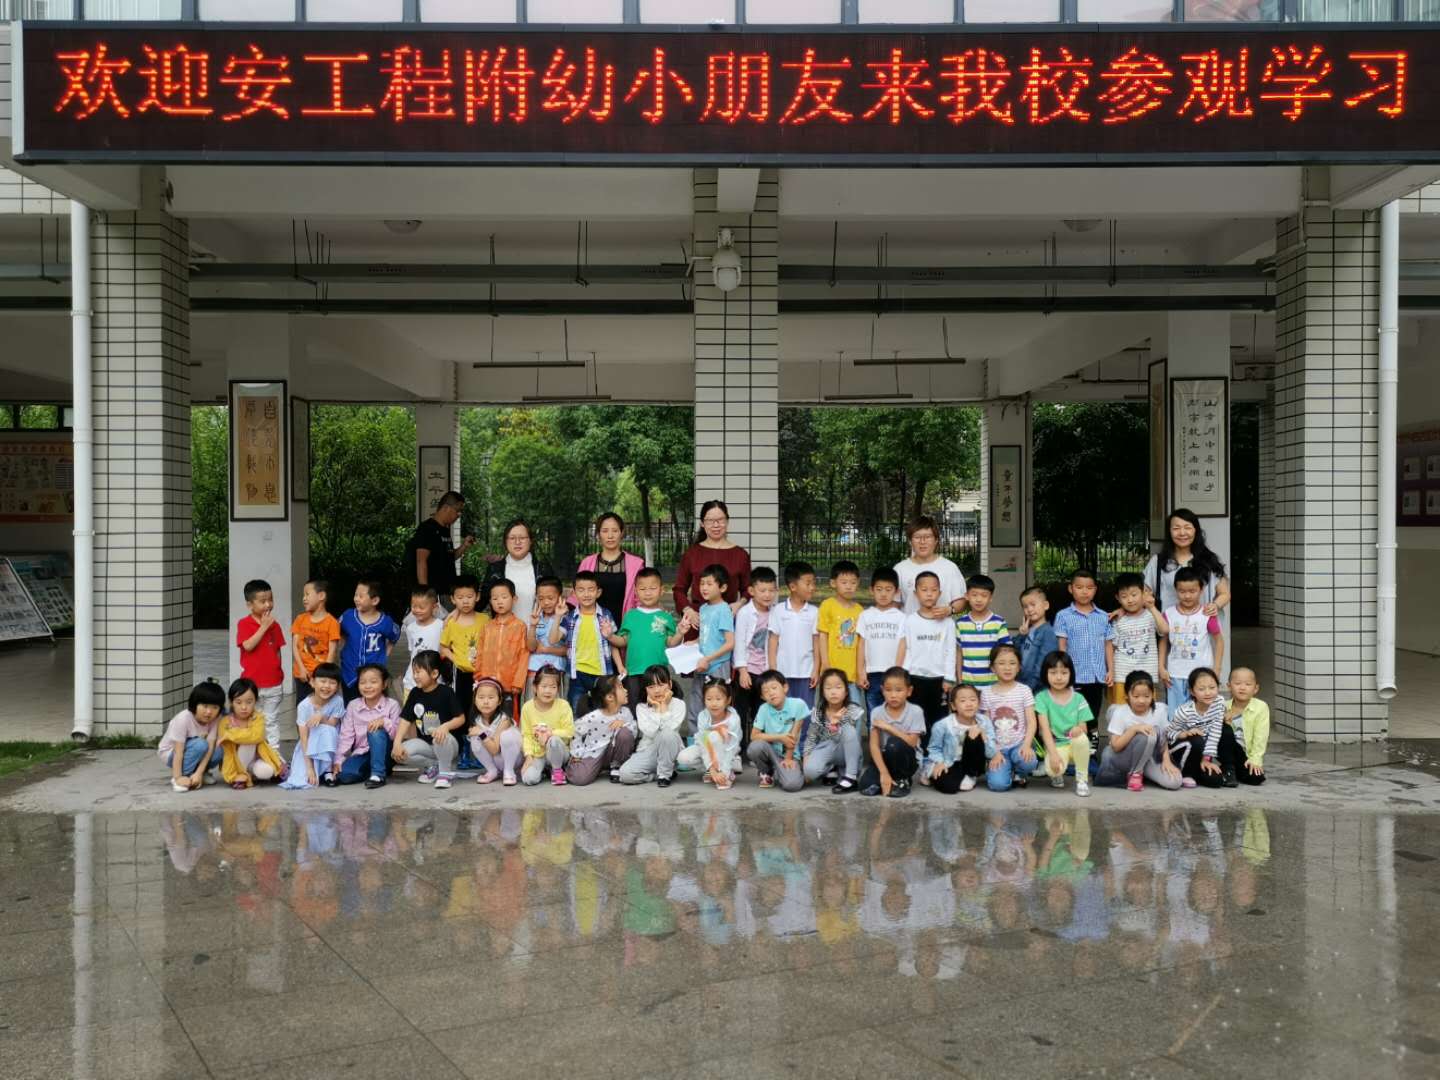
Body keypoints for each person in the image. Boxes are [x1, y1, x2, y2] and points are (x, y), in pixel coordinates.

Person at [674, 499, 752, 636]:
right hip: (697, 621)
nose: (716, 525)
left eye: (720, 520)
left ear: (727, 521)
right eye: (710, 521)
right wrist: (688, 610)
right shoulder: (691, 554)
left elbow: (748, 589)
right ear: (702, 523)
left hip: (728, 620)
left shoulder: (741, 555)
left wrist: (739, 604)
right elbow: (679, 590)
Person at [553, 570, 626, 715]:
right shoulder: (570, 617)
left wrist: (620, 665)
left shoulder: (605, 615)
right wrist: (557, 617)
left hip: (602, 674)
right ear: (574, 593)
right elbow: (553, 639)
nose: (586, 594)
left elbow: (612, 643)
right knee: (576, 711)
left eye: (591, 590)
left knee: (603, 711)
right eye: (581, 590)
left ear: (598, 592)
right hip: (577, 675)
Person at [1096, 671, 1183, 792]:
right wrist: (1134, 729)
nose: (1141, 701)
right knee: (1148, 734)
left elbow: (1163, 740)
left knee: (1175, 781)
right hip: (1125, 757)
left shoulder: (1160, 710)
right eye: (1136, 696)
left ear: (1153, 694)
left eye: (1146, 696)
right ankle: (1135, 774)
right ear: (1127, 695)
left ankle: (1143, 773)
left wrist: (1166, 760)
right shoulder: (1121, 712)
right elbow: (1115, 747)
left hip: (1149, 759)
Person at [618, 567, 687, 714]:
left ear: (661, 590)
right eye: (643, 589)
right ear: (635, 591)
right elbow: (623, 641)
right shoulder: (630, 615)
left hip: (658, 673)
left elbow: (671, 642)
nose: (648, 593)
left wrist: (680, 633)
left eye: (652, 588)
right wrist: (609, 636)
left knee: (659, 707)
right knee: (635, 708)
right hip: (634, 670)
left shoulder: (666, 617)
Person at [1053, 568, 1115, 732]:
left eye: (1089, 588)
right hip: (1075, 675)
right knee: (1075, 715)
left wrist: (1111, 670)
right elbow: (1062, 646)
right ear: (1071, 589)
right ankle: (1074, 745)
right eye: (1079, 587)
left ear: (1095, 589)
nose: (1084, 592)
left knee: (1093, 714)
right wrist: (1062, 672)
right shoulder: (1063, 616)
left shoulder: (1103, 616)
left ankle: (1092, 746)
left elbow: (1108, 645)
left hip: (1097, 676)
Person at [396, 650, 466, 791]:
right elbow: (405, 719)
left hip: (448, 744)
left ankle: (445, 773)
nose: (415, 676)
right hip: (427, 746)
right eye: (414, 672)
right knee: (401, 753)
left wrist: (445, 727)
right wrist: (396, 743)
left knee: (439, 737)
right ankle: (433, 766)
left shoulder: (446, 692)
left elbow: (461, 718)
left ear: (434, 674)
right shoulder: (415, 693)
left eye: (418, 672)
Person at [1144, 508, 1231, 617]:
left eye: (1187, 527)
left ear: (1195, 530)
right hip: (1169, 625)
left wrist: (1216, 605)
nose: (1182, 533)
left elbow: (1224, 593)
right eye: (1176, 528)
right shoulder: (1158, 561)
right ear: (1169, 532)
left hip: (1204, 624)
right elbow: (1144, 592)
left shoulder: (1209, 560)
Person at [1159, 567, 1225, 713]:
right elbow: (1163, 641)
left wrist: (1216, 669)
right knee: (1176, 715)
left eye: (1192, 591)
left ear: (1201, 590)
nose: (1187, 596)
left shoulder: (1207, 614)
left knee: (1202, 714)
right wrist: (1161, 668)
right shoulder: (1168, 614)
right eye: (1182, 591)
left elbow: (1219, 641)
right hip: (1175, 675)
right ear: (1176, 590)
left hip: (1202, 676)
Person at [894, 571, 953, 732]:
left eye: (934, 590)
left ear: (939, 593)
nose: (929, 594)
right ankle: (918, 747)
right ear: (916, 593)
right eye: (924, 590)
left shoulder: (948, 623)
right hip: (915, 678)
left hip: (939, 679)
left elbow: (950, 651)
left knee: (939, 721)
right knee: (916, 719)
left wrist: (949, 678)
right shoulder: (909, 620)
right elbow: (905, 648)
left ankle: (935, 748)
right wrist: (903, 674)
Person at [980, 643, 1039, 792]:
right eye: (1001, 663)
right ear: (993, 668)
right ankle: (1004, 770)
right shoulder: (986, 693)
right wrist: (994, 752)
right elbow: (985, 727)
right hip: (998, 749)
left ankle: (1019, 772)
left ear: (1019, 667)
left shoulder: (1024, 690)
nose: (1007, 668)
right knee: (998, 785)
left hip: (1019, 745)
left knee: (1029, 762)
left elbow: (1032, 722)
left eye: (1012, 663)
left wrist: (1026, 745)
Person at [858, 666, 926, 798]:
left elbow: (912, 742)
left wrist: (889, 728)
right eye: (888, 690)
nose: (893, 695)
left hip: (907, 759)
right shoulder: (877, 712)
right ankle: (889, 778)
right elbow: (874, 745)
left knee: (894, 744)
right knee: (866, 787)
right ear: (882, 690)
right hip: (885, 758)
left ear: (909, 691)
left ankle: (902, 779)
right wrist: (884, 773)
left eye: (899, 690)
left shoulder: (915, 711)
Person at [1034, 651, 1094, 798]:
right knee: (1053, 769)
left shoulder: (1079, 698)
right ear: (1046, 674)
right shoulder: (1041, 698)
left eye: (1064, 672)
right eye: (1053, 672)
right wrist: (1053, 754)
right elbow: (1044, 729)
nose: (1059, 677)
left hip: (1074, 743)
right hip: (1056, 745)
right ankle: (1057, 775)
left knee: (1082, 739)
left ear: (1070, 673)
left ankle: (1082, 780)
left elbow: (1084, 728)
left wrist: (1078, 729)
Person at [332, 664, 401, 789]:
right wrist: (338, 760)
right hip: (363, 753)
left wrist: (384, 722)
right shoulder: (353, 705)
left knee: (375, 731)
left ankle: (378, 775)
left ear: (384, 684)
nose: (367, 686)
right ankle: (373, 770)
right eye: (362, 682)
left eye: (373, 682)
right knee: (344, 776)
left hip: (386, 753)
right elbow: (346, 736)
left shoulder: (392, 705)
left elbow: (397, 735)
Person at [236, 578, 285, 752]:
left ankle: (274, 756)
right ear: (250, 605)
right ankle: (251, 754)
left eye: (270, 600)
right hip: (252, 684)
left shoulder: (275, 626)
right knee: (252, 720)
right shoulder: (244, 623)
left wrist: (279, 672)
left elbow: (278, 651)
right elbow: (248, 646)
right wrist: (263, 627)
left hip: (273, 683)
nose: (268, 605)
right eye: (263, 601)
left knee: (271, 720)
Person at [279, 661, 345, 790]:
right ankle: (311, 768)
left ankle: (328, 770)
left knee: (326, 729)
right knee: (300, 781)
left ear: (337, 686)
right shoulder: (304, 706)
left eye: (332, 683)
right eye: (323, 681)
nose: (327, 686)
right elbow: (304, 738)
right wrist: (309, 768)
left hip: (330, 744)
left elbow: (332, 726)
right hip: (309, 745)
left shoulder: (338, 701)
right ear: (312, 682)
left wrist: (321, 717)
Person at [617, 665, 686, 787]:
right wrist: (658, 708)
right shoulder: (641, 707)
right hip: (649, 750)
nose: (657, 690)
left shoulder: (679, 704)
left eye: (661, 685)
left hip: (670, 750)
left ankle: (665, 775)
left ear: (670, 684)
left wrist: (664, 706)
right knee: (625, 774)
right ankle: (657, 775)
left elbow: (669, 730)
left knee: (667, 734)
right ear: (646, 690)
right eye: (651, 687)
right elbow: (651, 732)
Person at [733, 566, 779, 744]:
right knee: (741, 711)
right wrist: (742, 670)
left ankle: (758, 747)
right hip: (748, 670)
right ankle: (739, 748)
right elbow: (739, 642)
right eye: (762, 590)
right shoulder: (745, 613)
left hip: (765, 671)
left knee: (762, 711)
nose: (767, 595)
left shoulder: (775, 612)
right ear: (752, 591)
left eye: (771, 590)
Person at [1108, 572, 1168, 708]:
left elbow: (1165, 630)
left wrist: (1151, 607)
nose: (1130, 600)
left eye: (1134, 594)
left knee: (1147, 711)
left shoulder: (1151, 615)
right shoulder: (1118, 620)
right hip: (1122, 674)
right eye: (1124, 596)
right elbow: (1112, 647)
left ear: (1143, 593)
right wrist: (1110, 670)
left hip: (1147, 674)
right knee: (1121, 711)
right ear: (1118, 598)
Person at [404, 490, 476, 602]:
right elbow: (421, 561)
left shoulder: (445, 530)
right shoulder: (427, 529)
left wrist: (464, 546)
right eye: (457, 511)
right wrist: (425, 593)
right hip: (435, 593)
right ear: (446, 507)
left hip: (447, 591)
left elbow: (450, 557)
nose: (459, 515)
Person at [567, 674, 638, 786]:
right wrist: (577, 753)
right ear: (610, 697)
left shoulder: (625, 712)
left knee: (625, 733)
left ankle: (617, 766)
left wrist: (625, 724)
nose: (626, 690)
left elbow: (634, 731)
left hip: (613, 754)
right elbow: (576, 731)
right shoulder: (594, 717)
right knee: (579, 779)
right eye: (621, 687)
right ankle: (565, 767)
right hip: (594, 754)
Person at [1164, 666, 1229, 788]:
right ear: (1192, 691)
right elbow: (1168, 734)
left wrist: (1206, 759)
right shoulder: (1184, 712)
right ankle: (1187, 773)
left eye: (1212, 687)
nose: (1208, 693)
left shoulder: (1219, 703)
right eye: (1201, 689)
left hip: (1201, 753)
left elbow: (1215, 732)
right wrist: (1184, 734)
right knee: (1196, 739)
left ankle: (1199, 771)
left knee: (1215, 780)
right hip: (1182, 750)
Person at [801, 669, 863, 794]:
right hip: (827, 747)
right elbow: (811, 737)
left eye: (838, 687)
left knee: (849, 729)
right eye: (828, 688)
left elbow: (851, 739)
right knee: (810, 771)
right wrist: (806, 759)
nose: (833, 692)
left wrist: (835, 724)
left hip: (846, 752)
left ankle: (851, 777)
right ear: (823, 692)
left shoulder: (853, 709)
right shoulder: (818, 712)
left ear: (846, 691)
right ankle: (831, 767)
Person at [575, 512, 647, 620]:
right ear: (598, 534)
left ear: (621, 533)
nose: (610, 536)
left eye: (615, 531)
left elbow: (642, 597)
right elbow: (576, 594)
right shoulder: (587, 563)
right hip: (592, 624)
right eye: (605, 531)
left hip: (626, 625)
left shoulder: (636, 564)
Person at [218, 677, 287, 790]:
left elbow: (257, 736)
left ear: (255, 701)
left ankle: (249, 774)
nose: (244, 707)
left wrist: (231, 735)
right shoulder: (226, 722)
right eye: (238, 702)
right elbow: (228, 751)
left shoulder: (258, 718)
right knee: (247, 743)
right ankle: (240, 776)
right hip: (235, 763)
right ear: (231, 702)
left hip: (255, 760)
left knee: (267, 772)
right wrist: (232, 775)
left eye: (249, 702)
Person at [745, 669, 807, 792]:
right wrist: (779, 738)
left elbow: (793, 736)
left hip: (791, 754)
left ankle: (785, 771)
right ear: (762, 697)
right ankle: (767, 772)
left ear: (785, 688)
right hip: (771, 753)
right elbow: (754, 736)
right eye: (766, 691)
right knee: (755, 747)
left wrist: (788, 759)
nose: (771, 693)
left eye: (774, 688)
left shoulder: (798, 705)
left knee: (792, 785)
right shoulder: (763, 709)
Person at [768, 561, 820, 708]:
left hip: (806, 672)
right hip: (783, 672)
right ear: (793, 586)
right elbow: (773, 641)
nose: (812, 587)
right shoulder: (778, 610)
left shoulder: (814, 612)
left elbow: (816, 642)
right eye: (808, 583)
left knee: (805, 711)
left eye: (813, 583)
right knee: (784, 711)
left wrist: (816, 669)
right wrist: (773, 669)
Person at [338, 580, 399, 704]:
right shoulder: (348, 616)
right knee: (351, 707)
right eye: (355, 595)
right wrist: (342, 647)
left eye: (361, 596)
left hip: (374, 675)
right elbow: (337, 632)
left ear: (375, 600)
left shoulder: (385, 622)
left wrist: (384, 656)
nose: (356, 599)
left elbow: (394, 636)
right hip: (349, 673)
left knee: (375, 706)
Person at [482, 518, 556, 620]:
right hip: (503, 629)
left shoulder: (543, 569)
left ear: (530, 541)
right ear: (505, 541)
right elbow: (481, 602)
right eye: (512, 538)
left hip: (537, 629)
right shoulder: (495, 570)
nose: (517, 542)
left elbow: (556, 600)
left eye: (522, 538)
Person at [158, 681, 226, 792]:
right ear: (195, 704)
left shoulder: (216, 719)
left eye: (215, 707)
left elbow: (210, 748)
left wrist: (199, 773)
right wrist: (178, 777)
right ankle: (182, 776)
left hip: (196, 749)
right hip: (171, 753)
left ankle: (199, 774)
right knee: (200, 744)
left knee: (218, 749)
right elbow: (178, 751)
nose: (209, 712)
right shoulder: (183, 718)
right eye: (204, 706)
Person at [676, 677, 742, 789]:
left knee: (715, 736)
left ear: (728, 700)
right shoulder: (703, 716)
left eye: (718, 699)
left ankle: (727, 772)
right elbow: (704, 743)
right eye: (709, 699)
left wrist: (724, 771)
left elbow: (732, 747)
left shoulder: (733, 719)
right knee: (683, 758)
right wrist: (711, 769)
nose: (713, 703)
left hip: (727, 750)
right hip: (706, 747)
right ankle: (711, 769)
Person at [688, 564, 736, 719]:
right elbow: (706, 636)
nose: (704, 588)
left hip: (717, 666)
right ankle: (696, 734)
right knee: (696, 703)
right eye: (702, 583)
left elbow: (730, 643)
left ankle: (718, 735)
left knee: (717, 707)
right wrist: (694, 642)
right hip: (702, 665)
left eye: (709, 584)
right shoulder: (703, 608)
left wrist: (708, 659)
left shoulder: (724, 610)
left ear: (722, 588)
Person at [856, 567, 905, 716]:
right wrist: (860, 672)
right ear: (871, 590)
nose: (883, 594)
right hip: (872, 673)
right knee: (874, 714)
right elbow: (861, 644)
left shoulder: (901, 617)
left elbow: (902, 645)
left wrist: (898, 672)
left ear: (896, 592)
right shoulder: (865, 615)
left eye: (888, 590)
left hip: (892, 673)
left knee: (894, 714)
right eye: (879, 589)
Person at [474, 579, 531, 707]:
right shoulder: (487, 627)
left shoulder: (520, 626)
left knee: (508, 716)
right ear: (490, 601)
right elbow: (480, 653)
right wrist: (478, 676)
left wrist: (518, 683)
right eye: (495, 598)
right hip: (487, 684)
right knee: (487, 713)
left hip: (509, 686)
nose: (499, 601)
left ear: (514, 599)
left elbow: (523, 655)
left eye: (504, 597)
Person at [922, 683, 987, 795]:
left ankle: (971, 774)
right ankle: (929, 771)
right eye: (963, 701)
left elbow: (990, 751)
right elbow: (934, 748)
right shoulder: (942, 725)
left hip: (968, 762)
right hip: (949, 761)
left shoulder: (984, 721)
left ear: (979, 703)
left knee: (975, 736)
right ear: (953, 706)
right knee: (949, 787)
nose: (969, 704)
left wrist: (983, 735)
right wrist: (940, 762)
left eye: (973, 700)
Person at [894, 515, 966, 614]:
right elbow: (893, 603)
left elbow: (960, 600)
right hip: (909, 623)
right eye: (917, 537)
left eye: (927, 537)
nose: (922, 542)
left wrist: (950, 610)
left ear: (936, 540)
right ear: (910, 541)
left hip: (941, 623)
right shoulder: (899, 569)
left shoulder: (950, 568)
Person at [817, 561, 864, 706]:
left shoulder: (860, 610)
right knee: (829, 711)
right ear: (833, 583)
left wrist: (860, 671)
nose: (849, 586)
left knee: (854, 711)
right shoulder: (827, 605)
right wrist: (825, 663)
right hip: (831, 672)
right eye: (844, 582)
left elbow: (861, 643)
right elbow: (823, 635)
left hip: (851, 674)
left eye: (853, 582)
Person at [954, 573, 1011, 689]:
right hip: (968, 684)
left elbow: (1007, 651)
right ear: (967, 596)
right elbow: (959, 653)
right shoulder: (960, 623)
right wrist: (960, 681)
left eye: (984, 595)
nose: (979, 599)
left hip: (994, 684)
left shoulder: (998, 622)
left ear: (991, 598)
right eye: (974, 595)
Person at [519, 667, 574, 786]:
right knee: (529, 779)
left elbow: (569, 732)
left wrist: (551, 733)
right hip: (538, 753)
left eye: (553, 687)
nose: (548, 691)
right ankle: (545, 769)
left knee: (553, 740)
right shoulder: (527, 708)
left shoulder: (563, 705)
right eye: (544, 686)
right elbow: (526, 735)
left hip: (559, 752)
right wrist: (528, 756)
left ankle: (557, 770)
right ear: (535, 687)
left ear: (558, 689)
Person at [440, 574, 488, 706]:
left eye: (469, 597)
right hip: (459, 673)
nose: (465, 601)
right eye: (460, 598)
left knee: (479, 703)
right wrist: (456, 660)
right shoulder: (451, 623)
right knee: (459, 704)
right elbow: (443, 647)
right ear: (453, 599)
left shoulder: (485, 620)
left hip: (481, 671)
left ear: (477, 596)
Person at [290, 577, 340, 702]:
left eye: (307, 594)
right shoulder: (300, 619)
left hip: (321, 678)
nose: (304, 598)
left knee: (323, 706)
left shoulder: (332, 623)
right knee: (302, 706)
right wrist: (301, 669)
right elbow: (295, 646)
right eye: (303, 595)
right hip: (302, 675)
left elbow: (332, 652)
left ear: (321, 596)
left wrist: (323, 677)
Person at [468, 677, 522, 786]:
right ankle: (492, 771)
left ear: (499, 701)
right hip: (495, 761)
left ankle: (509, 771)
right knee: (475, 738)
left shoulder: (504, 720)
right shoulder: (477, 721)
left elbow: (494, 750)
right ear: (475, 700)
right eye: (481, 697)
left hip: (513, 760)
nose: (486, 702)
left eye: (491, 697)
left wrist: (481, 733)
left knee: (508, 736)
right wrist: (480, 733)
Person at [1224, 667, 1270, 786]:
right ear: (1229, 686)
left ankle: (1232, 771)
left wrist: (1255, 760)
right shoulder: (1223, 707)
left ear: (1255, 688)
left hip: (1245, 756)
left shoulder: (1261, 707)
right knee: (1226, 732)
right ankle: (1228, 769)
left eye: (1248, 684)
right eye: (1237, 683)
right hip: (1227, 753)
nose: (1242, 687)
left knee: (1256, 778)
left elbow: (1261, 737)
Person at [525, 576, 568, 702]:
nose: (546, 602)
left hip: (556, 671)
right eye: (541, 598)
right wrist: (533, 626)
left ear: (560, 597)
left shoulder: (566, 619)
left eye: (550, 598)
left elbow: (566, 650)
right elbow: (531, 647)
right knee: (532, 705)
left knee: (555, 707)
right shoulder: (534, 617)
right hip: (534, 669)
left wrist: (545, 649)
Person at [1015, 584, 1060, 694]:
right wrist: (1022, 635)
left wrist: (1029, 688)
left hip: (1036, 688)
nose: (1029, 609)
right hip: (1021, 684)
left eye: (1033, 604)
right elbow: (1013, 652)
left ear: (1046, 605)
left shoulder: (1048, 632)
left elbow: (1043, 665)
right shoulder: (1026, 630)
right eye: (1025, 606)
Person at [402, 587, 444, 696]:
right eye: (414, 606)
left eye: (421, 607)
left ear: (434, 607)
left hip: (434, 680)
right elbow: (412, 652)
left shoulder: (441, 626)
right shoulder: (410, 628)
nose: (417, 610)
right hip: (412, 682)